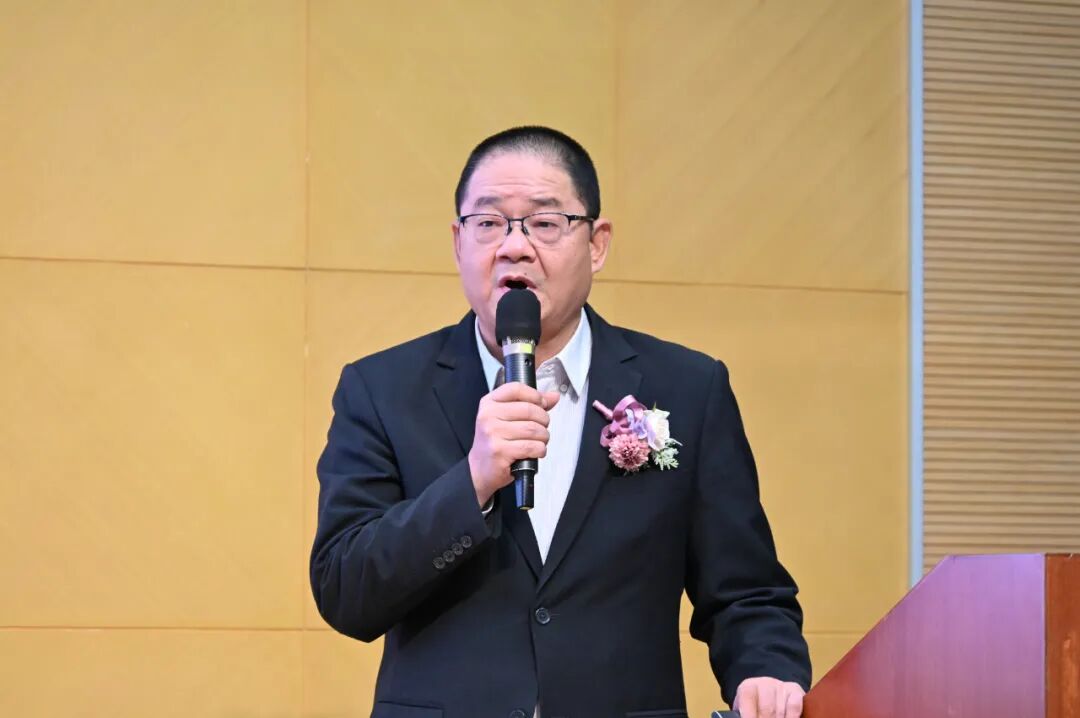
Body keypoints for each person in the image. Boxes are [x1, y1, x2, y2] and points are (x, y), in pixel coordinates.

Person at [310, 126, 811, 718]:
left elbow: (747, 592)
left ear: (597, 244)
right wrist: (472, 482)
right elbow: (346, 591)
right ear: (458, 242)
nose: (514, 247)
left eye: (545, 223)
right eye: (488, 223)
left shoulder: (687, 388)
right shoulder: (382, 389)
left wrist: (764, 669)